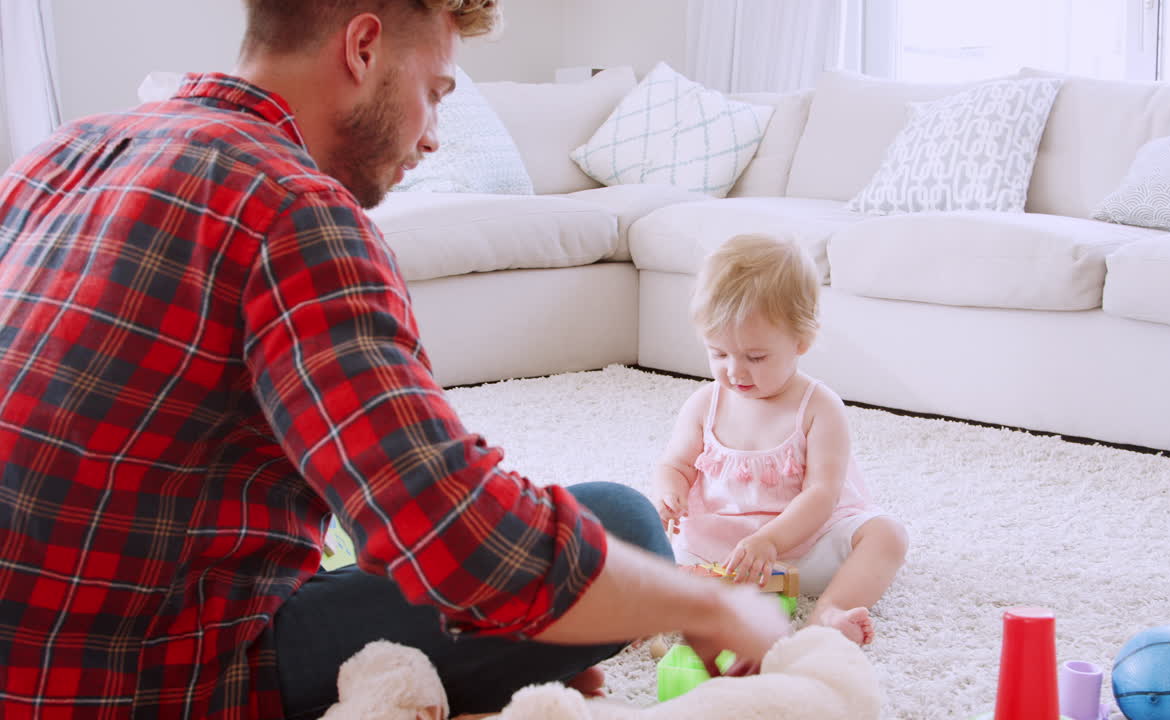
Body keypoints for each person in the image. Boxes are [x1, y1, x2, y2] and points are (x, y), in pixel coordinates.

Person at [0, 2, 789, 718]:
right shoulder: (294, 208)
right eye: (438, 91)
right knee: (624, 525)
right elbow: (452, 528)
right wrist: (705, 606)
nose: (434, 134)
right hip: (159, 678)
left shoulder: (62, 154)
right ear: (365, 46)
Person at [653, 233, 910, 646]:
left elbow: (822, 494)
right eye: (718, 353)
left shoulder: (819, 407)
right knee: (642, 543)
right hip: (722, 552)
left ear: (801, 341)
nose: (735, 371)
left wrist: (770, 541)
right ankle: (660, 608)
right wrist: (670, 493)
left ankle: (830, 612)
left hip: (805, 547)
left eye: (755, 357)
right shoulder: (704, 403)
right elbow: (676, 463)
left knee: (887, 536)